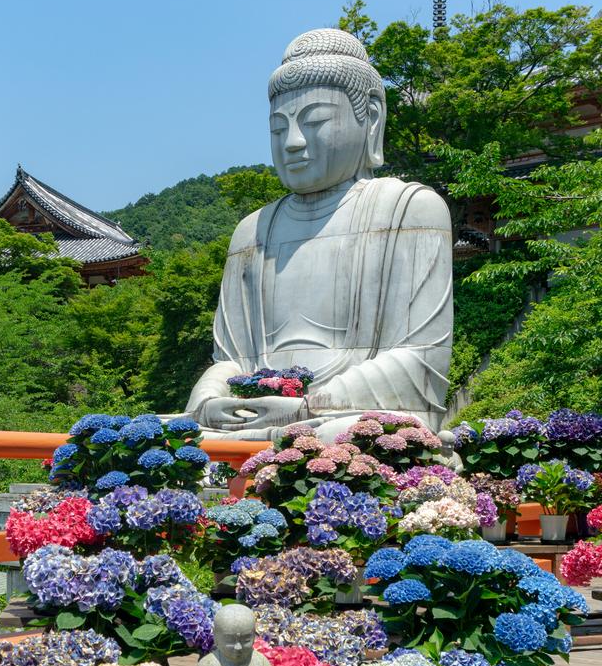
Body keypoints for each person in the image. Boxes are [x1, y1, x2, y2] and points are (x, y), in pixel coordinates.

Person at [186, 28, 453, 441]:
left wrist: (308, 405)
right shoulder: (252, 231)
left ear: (372, 119)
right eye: (278, 129)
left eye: (315, 121)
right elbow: (234, 359)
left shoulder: (408, 209)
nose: (292, 143)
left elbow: (422, 359)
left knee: (348, 435)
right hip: (254, 415)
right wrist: (210, 397)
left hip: (344, 418)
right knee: (151, 434)